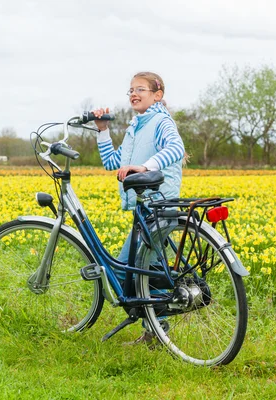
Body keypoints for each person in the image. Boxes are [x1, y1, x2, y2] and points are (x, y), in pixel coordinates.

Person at [92, 71, 185, 344]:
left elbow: (176, 147)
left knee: (124, 268)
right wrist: (103, 130)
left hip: (158, 205)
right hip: (145, 207)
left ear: (157, 95)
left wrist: (146, 166)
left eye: (141, 89)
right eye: (131, 90)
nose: (134, 93)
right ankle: (156, 331)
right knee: (149, 269)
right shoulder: (137, 126)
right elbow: (113, 163)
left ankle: (156, 329)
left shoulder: (160, 121)